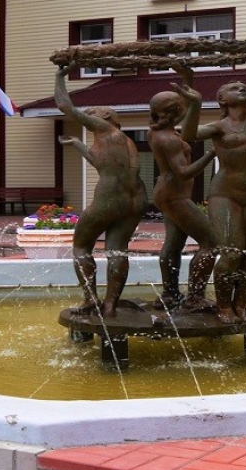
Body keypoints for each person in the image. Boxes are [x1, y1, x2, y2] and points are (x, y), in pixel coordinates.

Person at [176, 53, 246, 324]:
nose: (243, 89)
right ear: (222, 100)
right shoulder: (219, 127)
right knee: (230, 254)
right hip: (225, 195)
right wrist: (194, 104)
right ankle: (224, 306)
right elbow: (188, 134)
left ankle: (240, 305)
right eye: (235, 88)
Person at [55, 66, 147, 317]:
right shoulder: (123, 140)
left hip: (110, 198)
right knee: (117, 249)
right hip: (136, 199)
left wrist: (60, 77)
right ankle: (110, 306)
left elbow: (65, 107)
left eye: (91, 113)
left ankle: (91, 299)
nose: (87, 117)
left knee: (81, 246)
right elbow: (100, 164)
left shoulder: (106, 129)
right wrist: (77, 144)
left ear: (105, 115)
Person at [148, 66, 218, 311]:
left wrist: (188, 78)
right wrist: (211, 154)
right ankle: (195, 298)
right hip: (174, 195)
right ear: (174, 112)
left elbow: (186, 108)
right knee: (210, 242)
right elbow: (183, 172)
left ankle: (170, 295)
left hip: (167, 193)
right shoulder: (168, 139)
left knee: (174, 243)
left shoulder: (158, 131)